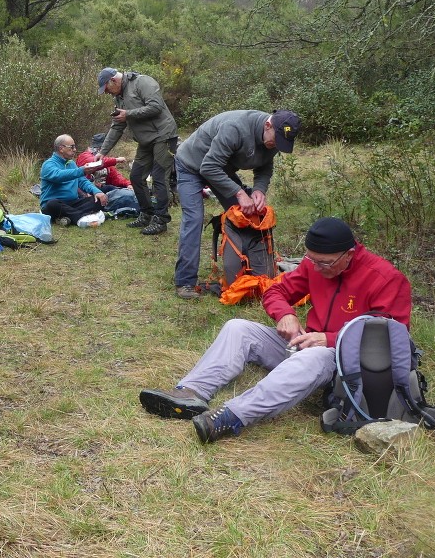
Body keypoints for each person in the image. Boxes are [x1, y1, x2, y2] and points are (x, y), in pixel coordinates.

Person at [139, 217, 412, 443]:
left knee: (313, 356)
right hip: (304, 344)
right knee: (239, 328)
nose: (316, 268)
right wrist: (286, 314)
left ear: (349, 254)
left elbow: (389, 339)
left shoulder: (385, 278)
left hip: (343, 364)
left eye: (324, 263)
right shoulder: (315, 265)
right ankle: (191, 393)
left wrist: (329, 339)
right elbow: (276, 291)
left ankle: (230, 418)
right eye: (311, 260)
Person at [173, 108, 300, 299]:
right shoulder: (235, 128)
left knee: (247, 214)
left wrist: (258, 190)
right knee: (194, 219)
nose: (276, 145)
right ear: (267, 125)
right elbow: (208, 167)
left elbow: (265, 167)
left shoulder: (274, 138)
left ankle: (250, 272)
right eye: (276, 140)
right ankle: (185, 282)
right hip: (191, 165)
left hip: (221, 167)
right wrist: (239, 193)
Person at [96, 68, 179, 236]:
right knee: (135, 176)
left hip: (163, 135)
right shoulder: (118, 97)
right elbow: (118, 126)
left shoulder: (143, 82)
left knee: (159, 177)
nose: (107, 93)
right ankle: (146, 213)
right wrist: (102, 152)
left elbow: (156, 107)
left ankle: (161, 219)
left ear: (113, 80)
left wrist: (129, 114)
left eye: (106, 89)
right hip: (145, 140)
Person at [39, 134, 108, 226]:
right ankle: (82, 218)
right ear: (61, 148)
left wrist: (96, 191)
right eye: (71, 147)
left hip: (73, 203)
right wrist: (81, 170)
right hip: (55, 204)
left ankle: (66, 218)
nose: (74, 150)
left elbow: (82, 181)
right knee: (52, 204)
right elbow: (59, 176)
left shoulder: (71, 164)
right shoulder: (48, 165)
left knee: (98, 200)